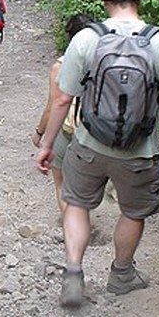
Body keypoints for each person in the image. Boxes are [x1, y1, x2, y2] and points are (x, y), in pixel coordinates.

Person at [36, 0, 159, 309]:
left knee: (77, 203)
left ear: (106, 2)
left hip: (89, 145)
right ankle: (122, 274)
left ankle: (74, 272)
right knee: (133, 212)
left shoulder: (86, 40)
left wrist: (47, 144)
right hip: (140, 152)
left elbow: (63, 98)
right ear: (138, 0)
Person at [33, 13, 95, 217]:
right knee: (83, 184)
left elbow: (53, 106)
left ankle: (73, 227)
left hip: (70, 130)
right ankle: (84, 220)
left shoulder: (61, 65)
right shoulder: (105, 59)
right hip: (98, 131)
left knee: (61, 182)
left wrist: (40, 132)